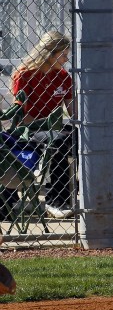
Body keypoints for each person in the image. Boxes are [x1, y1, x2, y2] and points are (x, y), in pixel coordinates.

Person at [10, 31, 75, 219]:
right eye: (63, 55)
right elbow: (22, 115)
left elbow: (73, 111)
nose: (66, 59)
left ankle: (99, 196)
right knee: (59, 140)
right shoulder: (25, 74)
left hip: (54, 128)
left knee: (80, 137)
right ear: (49, 54)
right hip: (29, 129)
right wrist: (48, 124)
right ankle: (56, 202)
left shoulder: (63, 76)